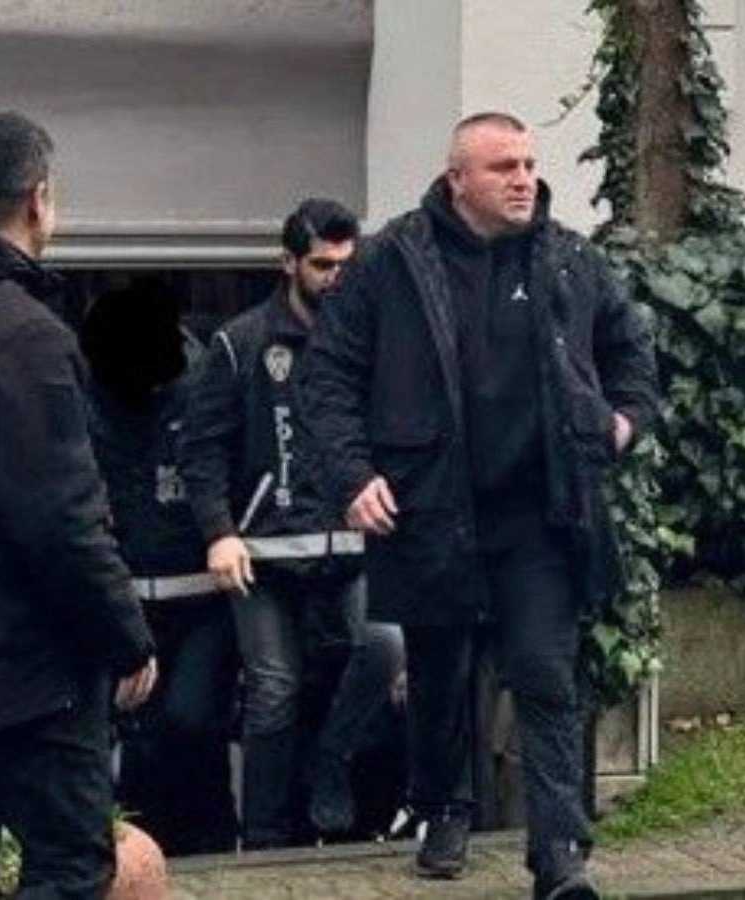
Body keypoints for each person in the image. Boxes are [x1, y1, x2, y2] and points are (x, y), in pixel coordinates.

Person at [300, 112, 658, 900]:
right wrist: (354, 476)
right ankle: (445, 809)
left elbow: (630, 350)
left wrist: (623, 423)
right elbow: (328, 376)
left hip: (540, 510)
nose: (523, 179)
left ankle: (559, 855)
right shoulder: (391, 260)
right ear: (457, 179)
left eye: (528, 163)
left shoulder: (569, 259)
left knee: (543, 672)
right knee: (439, 675)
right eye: (503, 167)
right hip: (430, 504)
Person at [0, 111, 156, 898]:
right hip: (26, 670)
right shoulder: (21, 335)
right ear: (38, 198)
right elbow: (56, 517)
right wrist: (124, 635)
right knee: (68, 867)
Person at [179, 198, 405, 849]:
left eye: (346, 265)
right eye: (323, 265)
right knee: (273, 689)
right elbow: (202, 449)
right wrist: (219, 531)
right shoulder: (241, 342)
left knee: (385, 646)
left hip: (354, 544)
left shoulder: (371, 341)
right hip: (263, 551)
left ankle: (330, 760)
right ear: (288, 262)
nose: (337, 278)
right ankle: (265, 839)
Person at [81, 281, 241, 856]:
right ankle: (146, 850)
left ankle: (212, 844)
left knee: (191, 720)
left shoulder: (202, 385)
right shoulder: (88, 394)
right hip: (124, 599)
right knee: (137, 732)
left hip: (198, 599)